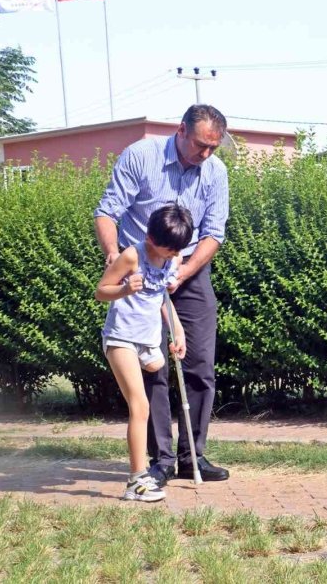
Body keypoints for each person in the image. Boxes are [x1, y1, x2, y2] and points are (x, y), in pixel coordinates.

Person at [94, 104, 231, 487]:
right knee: (151, 362)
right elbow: (107, 212)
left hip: (188, 269)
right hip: (143, 271)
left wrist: (183, 272)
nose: (206, 154)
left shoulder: (216, 172)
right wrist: (116, 259)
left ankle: (192, 456)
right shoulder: (142, 155)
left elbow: (214, 232)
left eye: (213, 148)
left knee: (200, 361)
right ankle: (161, 460)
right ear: (182, 130)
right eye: (201, 145)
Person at [96, 204, 193, 501]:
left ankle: (151, 355)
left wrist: (177, 332)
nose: (174, 256)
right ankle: (137, 481)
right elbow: (101, 291)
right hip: (121, 337)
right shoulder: (132, 256)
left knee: (157, 365)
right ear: (151, 238)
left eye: (178, 251)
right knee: (140, 407)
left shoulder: (171, 260)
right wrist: (124, 290)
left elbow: (163, 298)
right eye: (169, 250)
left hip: (148, 339)